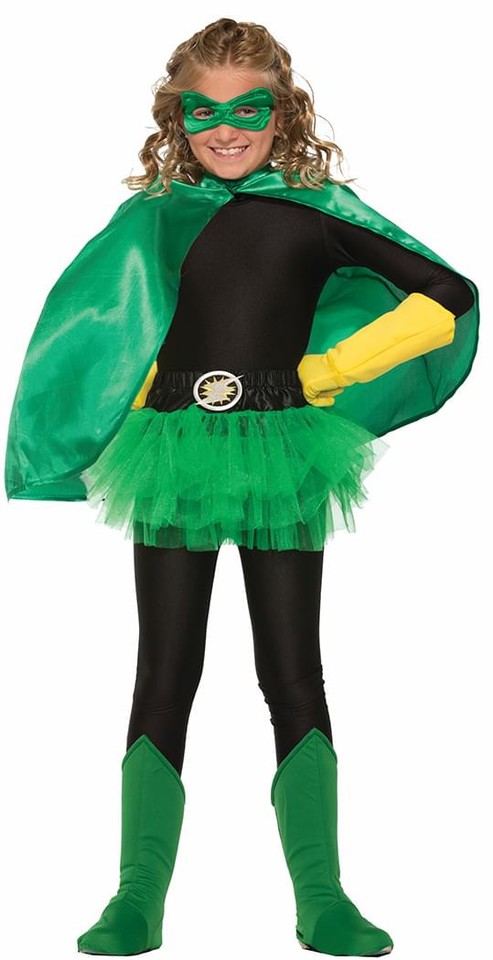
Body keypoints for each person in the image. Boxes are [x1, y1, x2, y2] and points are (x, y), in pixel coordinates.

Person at [4, 16, 478, 959]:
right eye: (203, 111)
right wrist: (130, 396)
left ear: (283, 112)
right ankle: (136, 897)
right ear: (175, 117)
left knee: (291, 669)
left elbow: (448, 294)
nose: (226, 129)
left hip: (281, 453)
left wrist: (332, 370)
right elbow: (119, 325)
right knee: (164, 668)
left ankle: (322, 897)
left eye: (248, 110)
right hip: (173, 451)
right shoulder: (153, 217)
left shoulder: (314, 212)